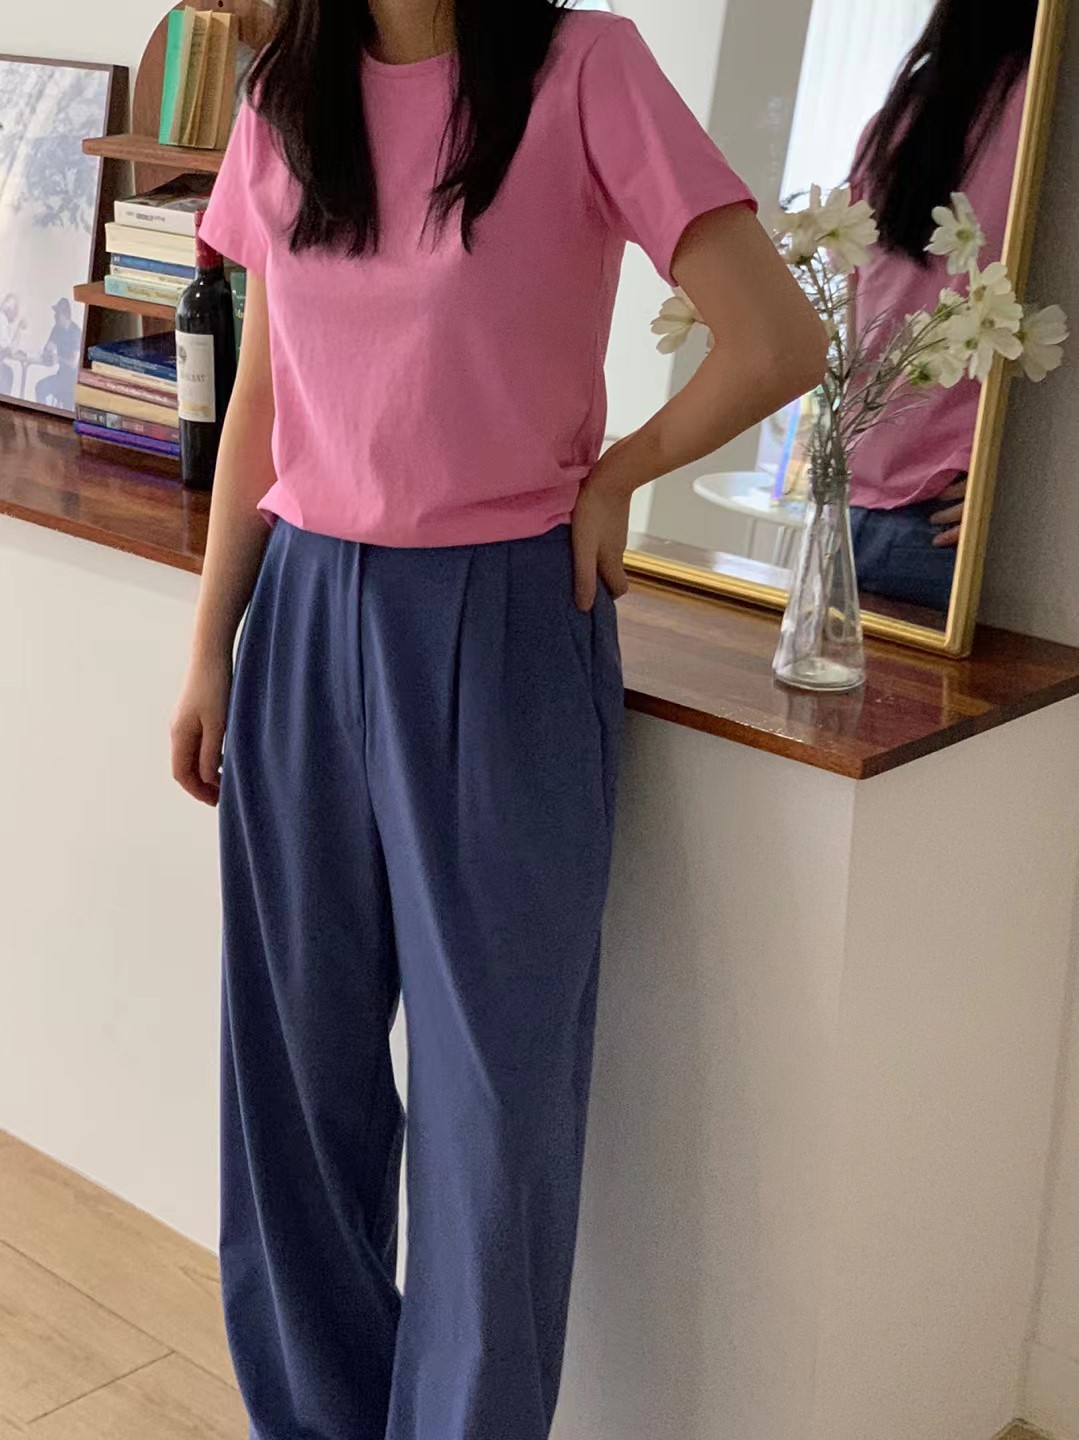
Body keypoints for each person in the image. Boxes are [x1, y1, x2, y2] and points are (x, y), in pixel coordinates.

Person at [171, 2, 825, 1437]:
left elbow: (776, 338)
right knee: (291, 1094)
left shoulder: (585, 69)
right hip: (301, 622)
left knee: (492, 1117)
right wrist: (213, 642)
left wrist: (619, 474)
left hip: (504, 624)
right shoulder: (283, 94)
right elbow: (266, 395)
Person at [847, 0, 1035, 612]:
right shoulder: (1043, 119)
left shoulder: (893, 126)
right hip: (955, 520)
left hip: (856, 510)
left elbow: (858, 320)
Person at [34, 298, 80, 410]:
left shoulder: (76, 332)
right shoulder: (57, 329)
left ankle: (44, 415)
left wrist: (57, 358)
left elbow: (73, 363)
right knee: (40, 388)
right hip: (61, 376)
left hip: (73, 380)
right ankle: (44, 416)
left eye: (57, 314)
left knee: (41, 387)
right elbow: (47, 348)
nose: (55, 317)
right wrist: (47, 354)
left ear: (65, 315)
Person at [0, 293, 28, 397]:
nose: (16, 315)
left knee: (7, 372)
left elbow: (8, 347)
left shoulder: (4, 321)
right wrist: (19, 329)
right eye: (15, 310)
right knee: (7, 374)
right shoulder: (2, 321)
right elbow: (9, 349)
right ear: (9, 309)